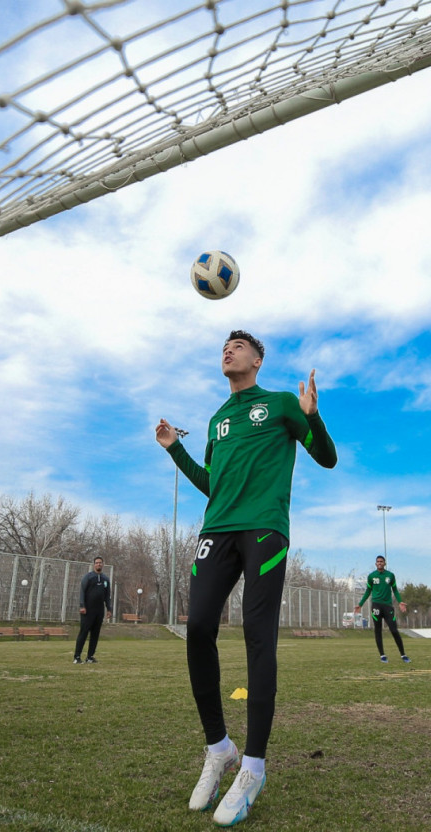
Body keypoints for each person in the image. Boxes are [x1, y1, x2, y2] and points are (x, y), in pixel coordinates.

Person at [155, 330, 336, 827]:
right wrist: (174, 449)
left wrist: (313, 415)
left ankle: (254, 765)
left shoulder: (280, 404)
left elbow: (326, 457)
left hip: (265, 529)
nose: (227, 352)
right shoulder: (217, 419)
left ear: (257, 360)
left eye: (238, 347)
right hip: (217, 528)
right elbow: (212, 484)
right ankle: (220, 749)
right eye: (223, 348)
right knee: (197, 629)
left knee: (258, 635)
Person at [354, 555, 410, 664]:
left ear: (385, 563)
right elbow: (368, 591)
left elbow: (395, 590)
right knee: (378, 630)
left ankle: (403, 654)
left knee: (394, 630)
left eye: (381, 561)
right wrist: (360, 604)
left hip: (388, 606)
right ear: (375, 564)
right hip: (376, 606)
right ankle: (382, 655)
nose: (379, 563)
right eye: (378, 562)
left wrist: (400, 602)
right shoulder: (371, 576)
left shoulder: (390, 575)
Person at [73, 556, 112, 664]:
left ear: (103, 564)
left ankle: (90, 657)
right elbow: (82, 592)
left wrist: (109, 609)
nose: (99, 564)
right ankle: (77, 657)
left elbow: (107, 595)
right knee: (84, 633)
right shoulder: (88, 577)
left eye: (100, 563)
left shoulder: (105, 579)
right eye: (97, 563)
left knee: (95, 634)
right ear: (94, 564)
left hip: (99, 611)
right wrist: (82, 606)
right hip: (87, 610)